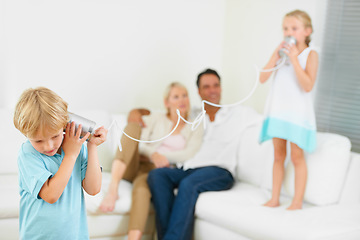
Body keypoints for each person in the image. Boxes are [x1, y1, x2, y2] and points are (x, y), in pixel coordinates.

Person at [147, 69, 259, 240]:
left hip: (219, 171)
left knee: (188, 184)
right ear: (198, 92)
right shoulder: (193, 115)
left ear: (221, 88)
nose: (212, 90)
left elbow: (268, 120)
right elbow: (159, 114)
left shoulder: (238, 114)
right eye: (206, 87)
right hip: (190, 168)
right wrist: (135, 114)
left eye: (216, 86)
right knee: (157, 175)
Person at [99, 82, 203, 240]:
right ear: (167, 102)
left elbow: (189, 153)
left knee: (142, 189)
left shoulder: (195, 125)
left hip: (157, 173)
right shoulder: (156, 118)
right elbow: (139, 143)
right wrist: (153, 154)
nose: (182, 100)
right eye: (176, 96)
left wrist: (163, 158)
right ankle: (113, 189)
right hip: (133, 164)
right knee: (133, 128)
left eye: (185, 95)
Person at [13, 87, 107, 239]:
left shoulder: (75, 146)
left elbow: (94, 188)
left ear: (65, 124)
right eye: (38, 140)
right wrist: (70, 156)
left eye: (55, 136)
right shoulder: (28, 154)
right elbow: (51, 195)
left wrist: (92, 145)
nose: (48, 146)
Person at [259, 10, 319, 210]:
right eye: (285, 28)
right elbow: (262, 78)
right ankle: (274, 198)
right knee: (278, 155)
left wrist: (294, 60)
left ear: (307, 31)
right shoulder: (281, 53)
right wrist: (275, 56)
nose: (288, 32)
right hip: (278, 112)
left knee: (296, 156)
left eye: (294, 28)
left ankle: (297, 201)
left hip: (297, 116)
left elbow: (307, 85)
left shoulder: (311, 54)